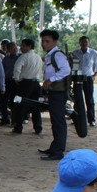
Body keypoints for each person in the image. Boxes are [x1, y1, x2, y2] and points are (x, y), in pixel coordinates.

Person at [38, 29, 71, 161]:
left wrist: (51, 80)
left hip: (59, 93)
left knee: (59, 122)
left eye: (47, 41)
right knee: (55, 122)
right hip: (53, 92)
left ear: (55, 42)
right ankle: (54, 147)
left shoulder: (57, 55)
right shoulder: (50, 55)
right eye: (43, 41)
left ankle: (57, 152)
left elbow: (66, 70)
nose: (44, 44)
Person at [12, 38, 43, 135]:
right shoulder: (38, 57)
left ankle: (18, 127)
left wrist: (17, 79)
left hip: (25, 83)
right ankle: (38, 128)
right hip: (36, 83)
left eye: (23, 45)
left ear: (29, 46)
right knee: (35, 106)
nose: (21, 48)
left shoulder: (24, 57)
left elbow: (17, 69)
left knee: (20, 105)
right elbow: (40, 71)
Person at [72, 36, 97, 127]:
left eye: (86, 42)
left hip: (88, 78)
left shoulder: (93, 53)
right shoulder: (75, 53)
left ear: (88, 43)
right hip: (77, 78)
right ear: (79, 43)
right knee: (77, 99)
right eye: (83, 42)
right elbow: (72, 65)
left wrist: (94, 75)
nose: (85, 43)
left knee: (89, 99)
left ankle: (91, 120)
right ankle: (77, 118)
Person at [0, 41, 20, 126]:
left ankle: (14, 121)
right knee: (2, 101)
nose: (14, 50)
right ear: (8, 49)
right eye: (12, 48)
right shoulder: (6, 59)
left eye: (15, 48)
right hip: (7, 80)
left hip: (16, 81)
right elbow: (2, 71)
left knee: (14, 102)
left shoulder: (20, 58)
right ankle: (5, 119)